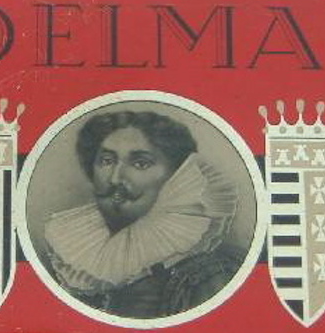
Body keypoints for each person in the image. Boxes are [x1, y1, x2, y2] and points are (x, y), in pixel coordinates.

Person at [44, 110, 242, 319]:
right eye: (107, 160)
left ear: (176, 175)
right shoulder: (75, 255)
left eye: (140, 163)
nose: (115, 179)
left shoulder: (210, 276)